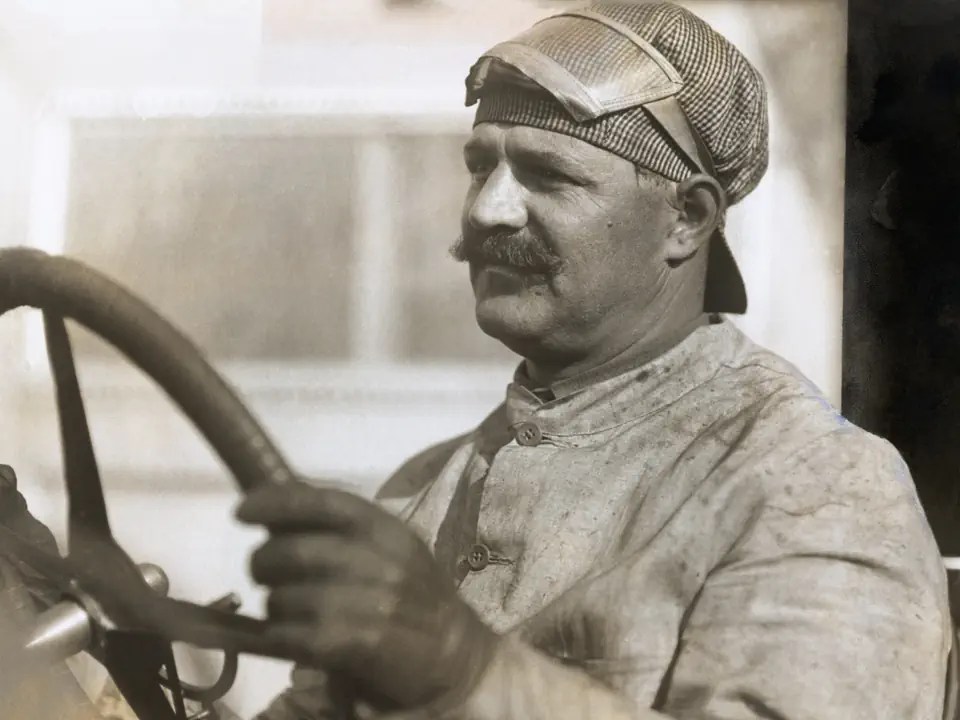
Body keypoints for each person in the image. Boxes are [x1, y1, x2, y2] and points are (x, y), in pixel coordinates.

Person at [241, 2, 952, 718]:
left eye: (549, 176)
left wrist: (466, 672)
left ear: (688, 219)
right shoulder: (418, 493)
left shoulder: (814, 487)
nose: (489, 211)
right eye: (480, 165)